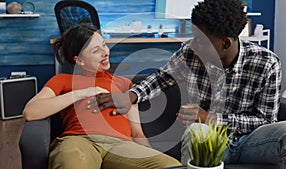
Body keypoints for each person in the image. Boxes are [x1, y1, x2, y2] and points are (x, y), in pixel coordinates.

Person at [90, 0, 286, 168]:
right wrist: (130, 96)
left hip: (251, 142)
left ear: (225, 43)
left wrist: (212, 118)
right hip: (205, 140)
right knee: (197, 131)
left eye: (200, 40)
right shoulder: (189, 54)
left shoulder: (267, 63)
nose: (193, 44)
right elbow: (162, 78)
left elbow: (266, 121)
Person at [22, 23, 181, 169]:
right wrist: (82, 93)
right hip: (80, 141)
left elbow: (137, 132)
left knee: (170, 165)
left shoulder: (125, 84)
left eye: (104, 45)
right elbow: (31, 112)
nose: (105, 53)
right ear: (80, 61)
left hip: (121, 146)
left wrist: (146, 153)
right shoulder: (62, 80)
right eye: (96, 50)